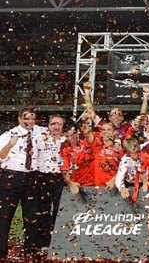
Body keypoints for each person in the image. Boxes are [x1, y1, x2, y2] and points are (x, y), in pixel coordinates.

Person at [0, 108, 45, 258]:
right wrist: (9, 145)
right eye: (27, 118)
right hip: (11, 177)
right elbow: (0, 158)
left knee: (31, 215)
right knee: (6, 214)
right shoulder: (8, 135)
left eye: (33, 118)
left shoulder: (38, 132)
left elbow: (55, 130)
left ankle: (29, 248)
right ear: (19, 119)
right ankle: (1, 250)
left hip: (32, 177)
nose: (30, 121)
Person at [32, 114, 66, 249]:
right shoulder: (39, 138)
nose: (56, 127)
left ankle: (59, 240)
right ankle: (43, 242)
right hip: (43, 177)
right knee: (43, 210)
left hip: (60, 178)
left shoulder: (67, 140)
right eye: (53, 124)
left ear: (63, 126)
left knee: (59, 210)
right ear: (48, 126)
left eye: (59, 124)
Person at [61, 122, 95, 195]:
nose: (70, 138)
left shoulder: (87, 142)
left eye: (72, 134)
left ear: (78, 132)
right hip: (78, 185)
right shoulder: (65, 149)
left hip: (95, 183)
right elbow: (65, 170)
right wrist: (70, 182)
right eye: (67, 136)